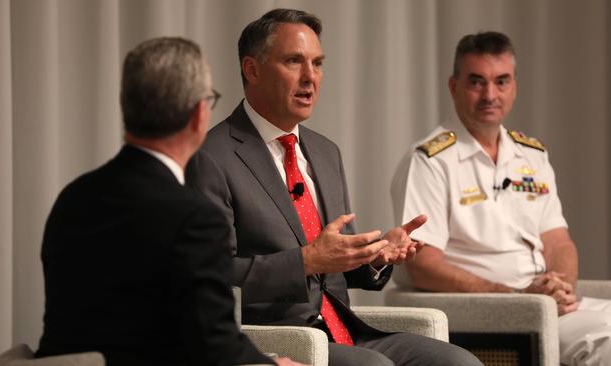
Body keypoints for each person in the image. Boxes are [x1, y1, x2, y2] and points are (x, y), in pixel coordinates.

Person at [186, 8, 482, 366]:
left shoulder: (325, 152)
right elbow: (210, 277)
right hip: (279, 338)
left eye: (318, 63)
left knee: (459, 363)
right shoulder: (212, 157)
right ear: (252, 70)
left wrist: (375, 255)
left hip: (346, 329)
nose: (311, 77)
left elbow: (338, 261)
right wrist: (305, 261)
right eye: (294, 61)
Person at [35, 37, 302, 366]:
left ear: (126, 107)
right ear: (198, 115)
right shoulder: (194, 217)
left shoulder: (73, 197)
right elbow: (215, 346)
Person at [391, 31, 611, 365]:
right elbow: (422, 265)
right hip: (492, 311)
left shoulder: (531, 154)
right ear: (454, 87)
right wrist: (517, 298)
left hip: (543, 304)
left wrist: (559, 287)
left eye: (502, 81)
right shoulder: (430, 160)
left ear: (515, 86)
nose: (490, 94)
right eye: (477, 82)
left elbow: (558, 242)